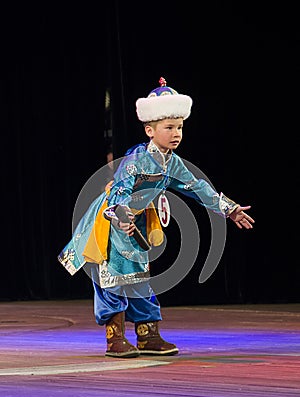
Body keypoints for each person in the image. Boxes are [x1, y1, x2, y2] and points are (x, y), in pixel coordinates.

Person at [58, 77, 255, 359]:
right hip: (111, 221)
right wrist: (120, 214)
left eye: (180, 127)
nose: (176, 133)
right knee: (111, 277)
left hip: (135, 221)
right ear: (150, 130)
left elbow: (196, 187)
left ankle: (147, 335)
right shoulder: (136, 160)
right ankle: (115, 337)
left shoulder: (171, 162)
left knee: (139, 277)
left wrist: (228, 208)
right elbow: (118, 191)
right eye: (169, 127)